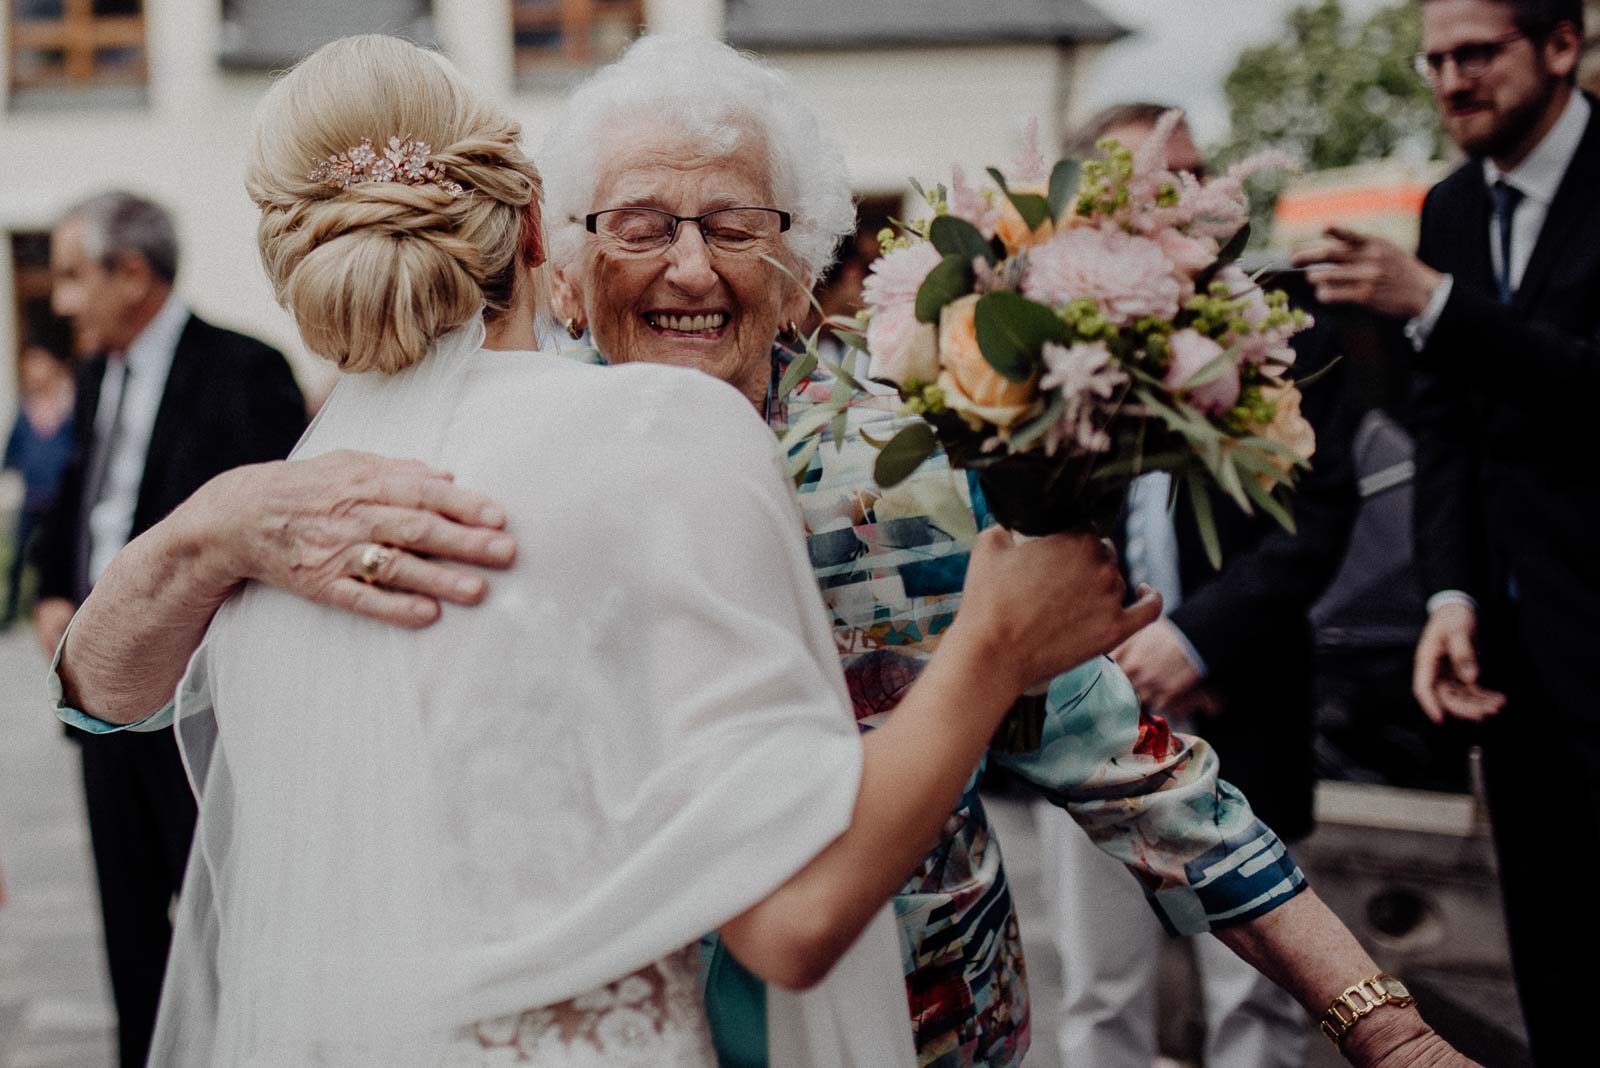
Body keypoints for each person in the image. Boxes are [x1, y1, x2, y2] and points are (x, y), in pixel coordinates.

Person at [56, 34, 1476, 1068]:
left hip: (902, 1016)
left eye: (736, 226)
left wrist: (1380, 1020)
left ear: (800, 256)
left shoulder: (907, 469)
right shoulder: (447, 451)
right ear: (557, 247)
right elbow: (105, 694)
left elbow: (1131, 760)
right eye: (642, 223)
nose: (689, 266)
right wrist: (205, 527)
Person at [1292, 1, 1596, 1059]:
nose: (1451, 80)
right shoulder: (1453, 205)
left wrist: (1433, 298)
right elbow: (1445, 429)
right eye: (1434, 60)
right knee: (1550, 954)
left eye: (1477, 54)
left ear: (1560, 44)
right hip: (1507, 658)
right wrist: (1447, 599)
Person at [1031, 104, 1359, 1068]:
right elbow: (1023, 526)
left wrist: (1200, 641)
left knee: (1260, 1001)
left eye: (1196, 170)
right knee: (1100, 990)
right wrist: (1114, 669)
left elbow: (1322, 511)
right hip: (1089, 718)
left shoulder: (1282, 327)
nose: (1185, 193)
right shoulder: (1036, 342)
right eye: (1154, 177)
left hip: (1243, 696)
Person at [28, 190, 306, 1067]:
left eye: (75, 276)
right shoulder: (94, 373)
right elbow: (75, 492)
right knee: (127, 928)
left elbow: (275, 545)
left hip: (205, 712)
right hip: (100, 705)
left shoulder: (244, 369)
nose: (63, 302)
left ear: (134, 273)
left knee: (232, 925)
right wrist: (48, 591)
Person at [3, 344, 76, 624]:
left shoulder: (70, 400)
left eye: (38, 363)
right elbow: (14, 448)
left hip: (61, 498)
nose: (32, 371)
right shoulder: (27, 407)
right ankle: (12, 611)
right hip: (34, 495)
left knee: (60, 553)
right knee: (20, 556)